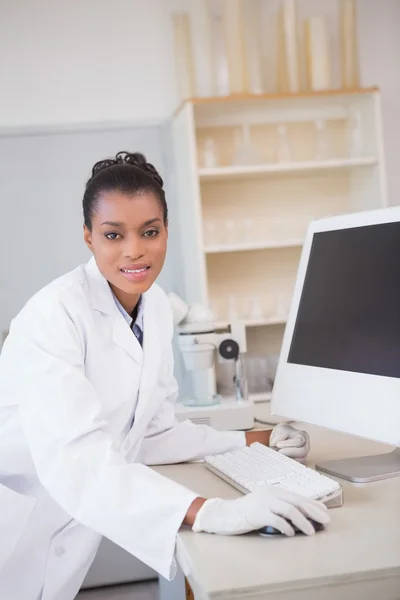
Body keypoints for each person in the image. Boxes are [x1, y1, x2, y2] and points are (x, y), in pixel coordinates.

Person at [0, 152, 329, 599]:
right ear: (88, 237)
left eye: (149, 232)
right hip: (17, 530)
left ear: (166, 232)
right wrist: (212, 512)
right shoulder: (51, 317)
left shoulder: (153, 307)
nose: (134, 250)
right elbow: (76, 461)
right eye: (113, 234)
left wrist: (256, 442)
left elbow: (150, 432)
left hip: (68, 529)